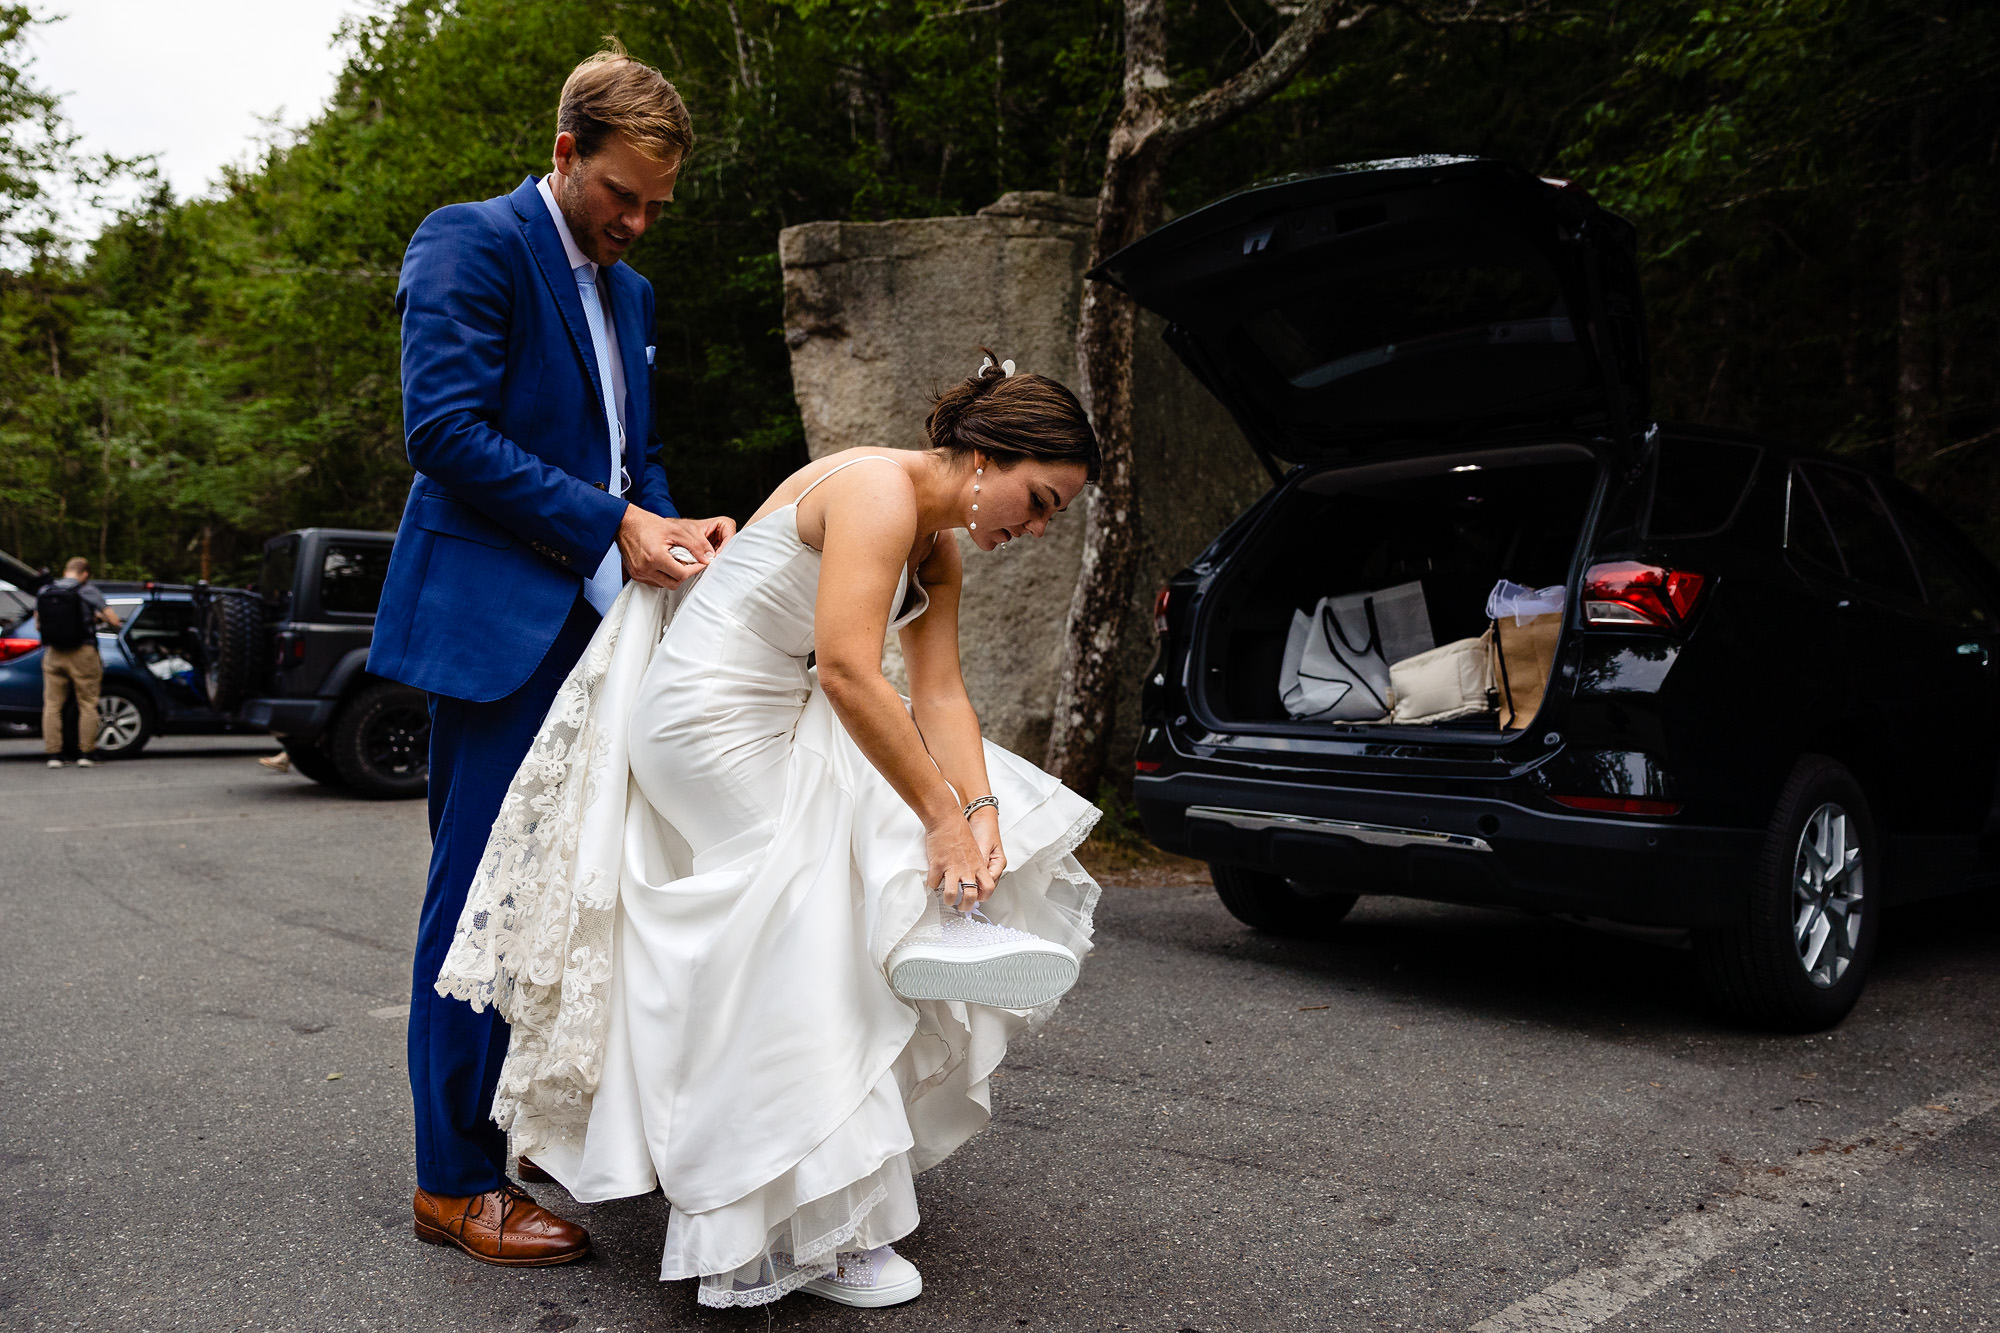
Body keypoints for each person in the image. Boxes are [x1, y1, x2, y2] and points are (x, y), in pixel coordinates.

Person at [437, 356, 1104, 1309]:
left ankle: (906, 985)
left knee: (836, 898)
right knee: (815, 918)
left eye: (1053, 516)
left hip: (782, 715)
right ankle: (805, 1226)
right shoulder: (876, 489)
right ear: (987, 457)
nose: (1036, 529)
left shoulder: (938, 543)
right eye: (1039, 501)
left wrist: (981, 811)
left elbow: (943, 693)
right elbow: (845, 668)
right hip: (706, 721)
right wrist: (941, 816)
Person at [367, 45, 735, 1268]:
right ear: (565, 151)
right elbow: (445, 430)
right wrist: (611, 523)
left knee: (580, 891)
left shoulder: (628, 293)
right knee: (483, 899)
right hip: (495, 629)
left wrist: (670, 525)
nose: (636, 222)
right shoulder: (468, 240)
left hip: (602, 631)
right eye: (620, 195)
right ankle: (450, 1181)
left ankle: (518, 1130)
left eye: (655, 206)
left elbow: (632, 452)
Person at [37, 557, 120, 769]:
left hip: (53, 653)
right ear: (85, 574)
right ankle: (86, 753)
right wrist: (97, 619)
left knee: (52, 705)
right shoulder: (88, 590)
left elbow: (39, 624)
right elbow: (114, 620)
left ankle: (54, 755)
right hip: (83, 652)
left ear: (66, 570)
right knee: (88, 703)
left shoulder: (46, 590)